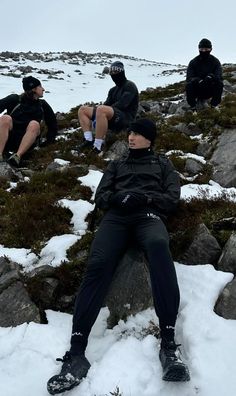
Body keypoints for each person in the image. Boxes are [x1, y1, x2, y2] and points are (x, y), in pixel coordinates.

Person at [47, 118, 190, 395]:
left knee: (160, 247)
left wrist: (146, 200)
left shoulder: (163, 164)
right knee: (98, 262)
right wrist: (117, 199)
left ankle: (169, 347)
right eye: (130, 133)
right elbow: (101, 196)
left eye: (137, 133)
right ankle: (76, 354)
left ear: (149, 138)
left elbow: (172, 198)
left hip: (149, 216)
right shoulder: (117, 164)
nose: (131, 137)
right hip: (116, 218)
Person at [77, 61, 139, 155]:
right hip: (112, 115)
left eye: (116, 71)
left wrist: (102, 111)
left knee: (101, 109)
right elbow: (106, 104)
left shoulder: (130, 86)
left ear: (122, 72)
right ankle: (88, 140)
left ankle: (98, 145)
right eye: (112, 72)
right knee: (83, 110)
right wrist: (99, 112)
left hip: (126, 119)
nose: (114, 74)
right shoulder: (113, 90)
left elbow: (123, 104)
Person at [0, 76, 58, 167]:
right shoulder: (15, 99)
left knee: (34, 124)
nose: (43, 89)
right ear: (34, 89)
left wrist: (48, 142)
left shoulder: (42, 105)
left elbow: (53, 124)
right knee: (5, 118)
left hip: (29, 143)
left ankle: (17, 157)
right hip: (10, 138)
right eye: (40, 86)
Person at [186, 38, 223, 111]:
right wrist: (197, 80)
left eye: (206, 49)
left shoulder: (215, 61)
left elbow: (218, 75)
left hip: (210, 88)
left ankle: (214, 105)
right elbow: (189, 77)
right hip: (197, 89)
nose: (204, 51)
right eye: (202, 49)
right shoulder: (193, 62)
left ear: (211, 49)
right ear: (199, 49)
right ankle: (193, 107)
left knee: (219, 84)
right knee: (189, 85)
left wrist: (211, 77)